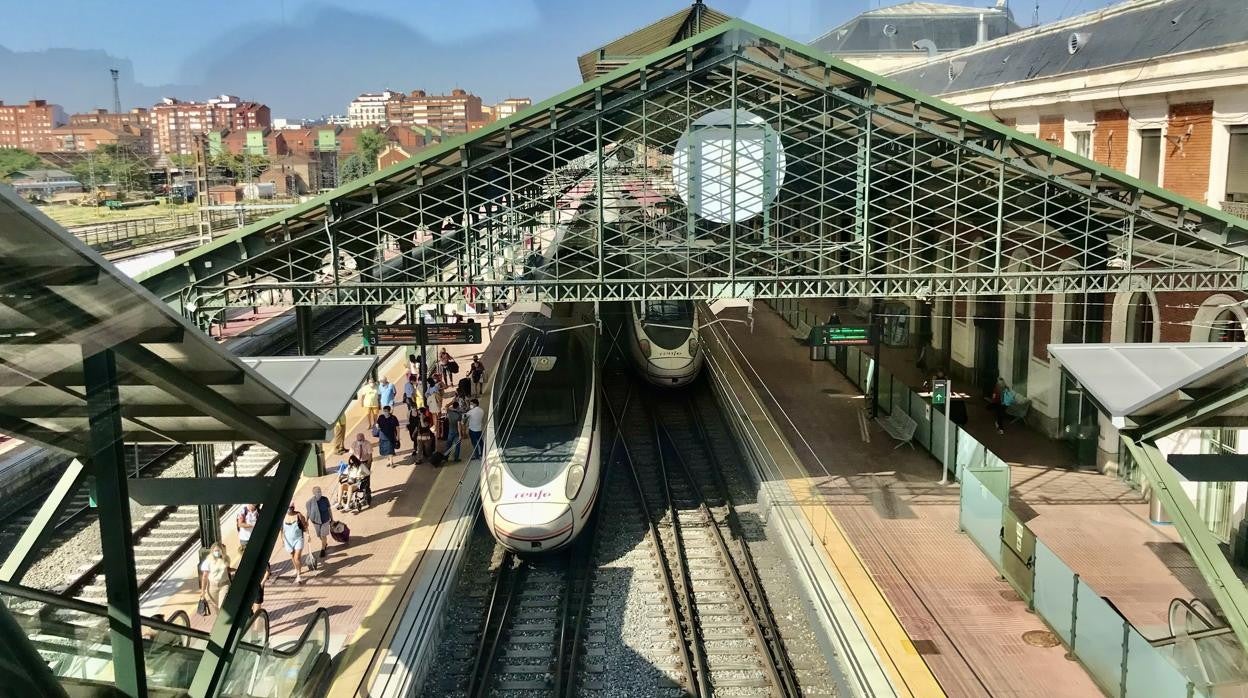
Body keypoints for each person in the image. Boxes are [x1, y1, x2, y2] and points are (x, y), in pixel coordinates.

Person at [199, 542, 231, 614]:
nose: (217, 552)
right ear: (212, 551)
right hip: (212, 587)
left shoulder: (226, 559)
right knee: (217, 609)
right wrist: (203, 591)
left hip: (224, 585)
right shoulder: (208, 561)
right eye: (215, 551)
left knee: (222, 607)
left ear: (222, 551)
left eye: (218, 550)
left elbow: (227, 569)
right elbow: (205, 576)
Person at [281, 504, 309, 584]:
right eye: (288, 508)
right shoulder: (283, 517)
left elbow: (305, 525)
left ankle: (299, 575)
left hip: (298, 539)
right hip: (288, 541)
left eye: (290, 508)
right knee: (292, 556)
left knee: (297, 557)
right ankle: (297, 569)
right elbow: (282, 530)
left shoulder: (298, 515)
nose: (289, 510)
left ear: (293, 508)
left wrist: (308, 534)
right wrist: (282, 539)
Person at [305, 486, 335, 559]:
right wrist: (306, 521)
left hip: (325, 520)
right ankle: (324, 543)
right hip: (316, 522)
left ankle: (322, 549)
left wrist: (332, 519)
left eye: (320, 491)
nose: (319, 493)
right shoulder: (309, 502)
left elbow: (329, 509)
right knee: (319, 536)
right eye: (317, 492)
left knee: (323, 535)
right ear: (314, 493)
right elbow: (308, 512)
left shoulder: (325, 499)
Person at [444, 395, 464, 461]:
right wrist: (460, 435)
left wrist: (452, 402)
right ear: (458, 407)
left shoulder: (449, 412)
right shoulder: (459, 415)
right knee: (457, 445)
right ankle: (456, 458)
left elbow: (446, 406)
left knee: (448, 444)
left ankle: (446, 457)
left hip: (450, 430)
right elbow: (459, 425)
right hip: (457, 432)